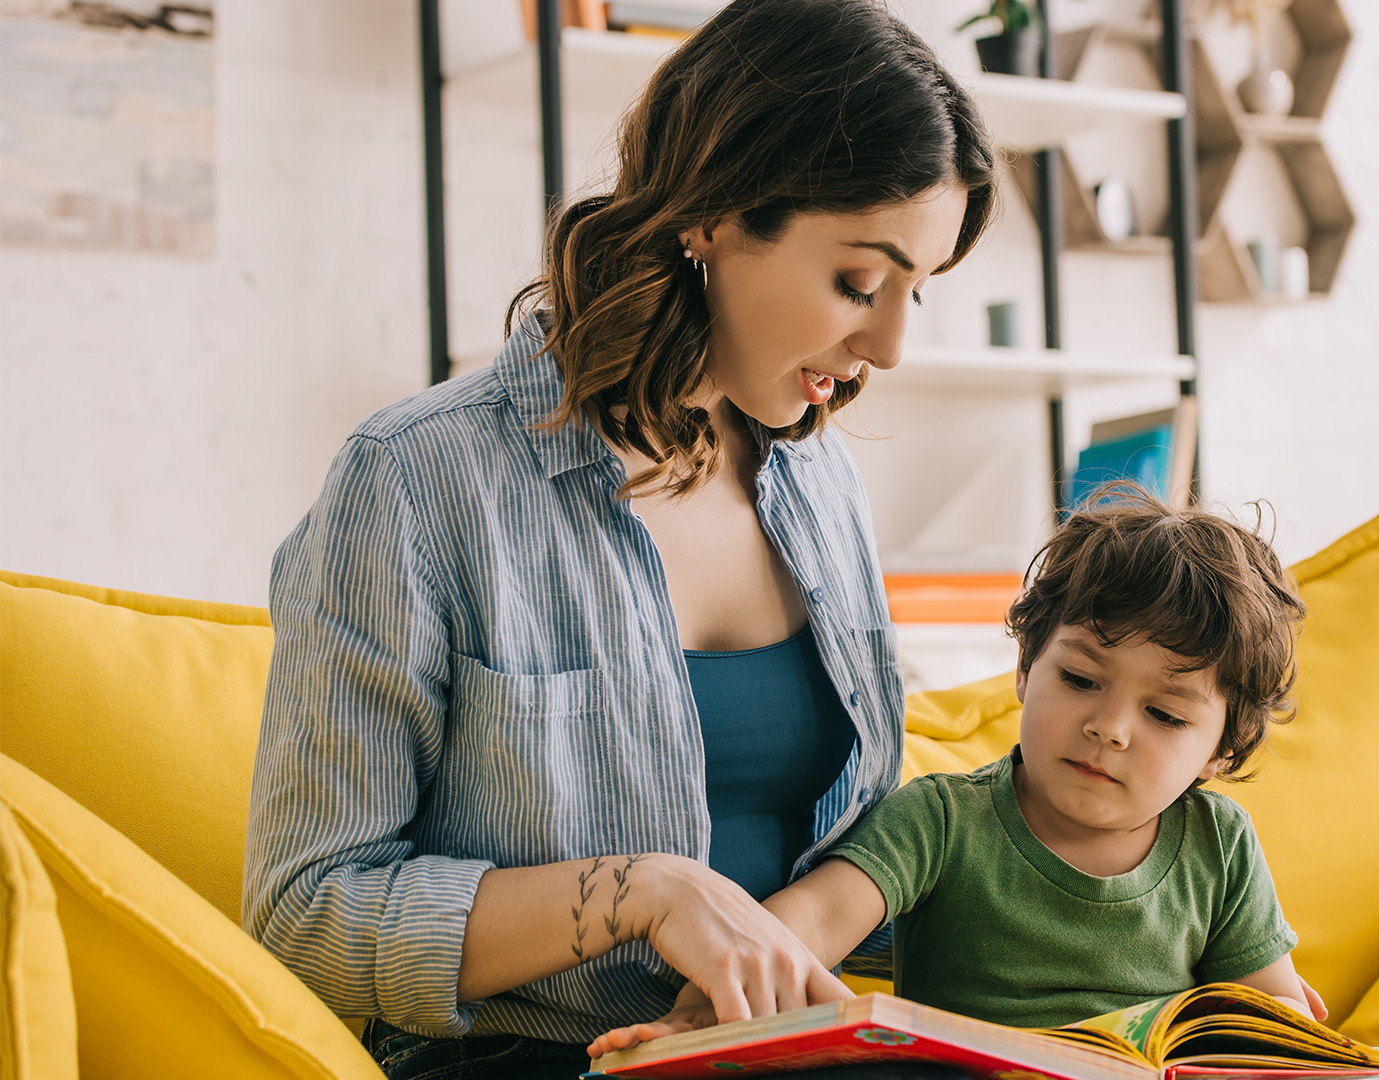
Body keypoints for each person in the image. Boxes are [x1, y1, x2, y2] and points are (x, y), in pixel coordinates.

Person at [241, 1, 996, 1075]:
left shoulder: (821, 480)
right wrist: (647, 895)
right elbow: (307, 916)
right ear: (717, 215)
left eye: (917, 293)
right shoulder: (417, 481)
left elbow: (869, 850)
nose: (890, 344)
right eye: (860, 283)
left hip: (788, 1049)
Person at [592, 484, 1323, 1058]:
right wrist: (704, 1009)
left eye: (1165, 715)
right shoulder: (942, 820)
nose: (1110, 728)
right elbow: (812, 917)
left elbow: (1271, 1019)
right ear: (1026, 667)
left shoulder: (1219, 845)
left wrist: (1309, 1043)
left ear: (1221, 751)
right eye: (1079, 679)